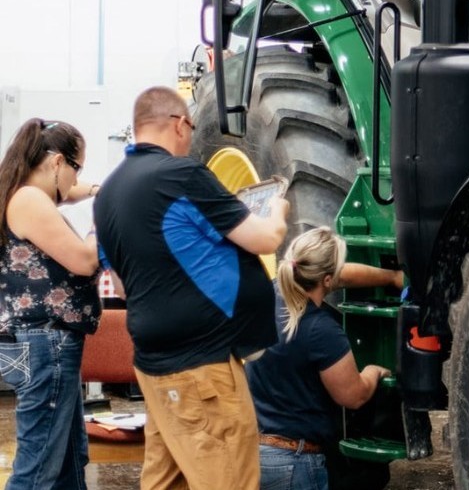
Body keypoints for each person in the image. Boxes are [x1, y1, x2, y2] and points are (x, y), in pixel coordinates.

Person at [93, 86, 290, 490]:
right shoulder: (182, 176)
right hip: (202, 370)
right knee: (229, 480)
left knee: (167, 480)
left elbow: (125, 287)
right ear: (181, 124)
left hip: (154, 367)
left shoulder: (108, 195)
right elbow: (266, 239)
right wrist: (278, 210)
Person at [246, 227, 402, 490]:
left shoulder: (267, 295)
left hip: (256, 454)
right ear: (327, 280)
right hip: (295, 464)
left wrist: (391, 277)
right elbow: (353, 396)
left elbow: (337, 276)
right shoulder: (320, 330)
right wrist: (373, 372)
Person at [0, 119, 102, 490]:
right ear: (57, 162)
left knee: (68, 465)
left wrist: (98, 189)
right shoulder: (29, 200)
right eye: (77, 168)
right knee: (38, 469)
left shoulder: (18, 190)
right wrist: (103, 218)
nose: (77, 181)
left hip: (44, 342)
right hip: (46, 344)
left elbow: (71, 192)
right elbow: (85, 261)